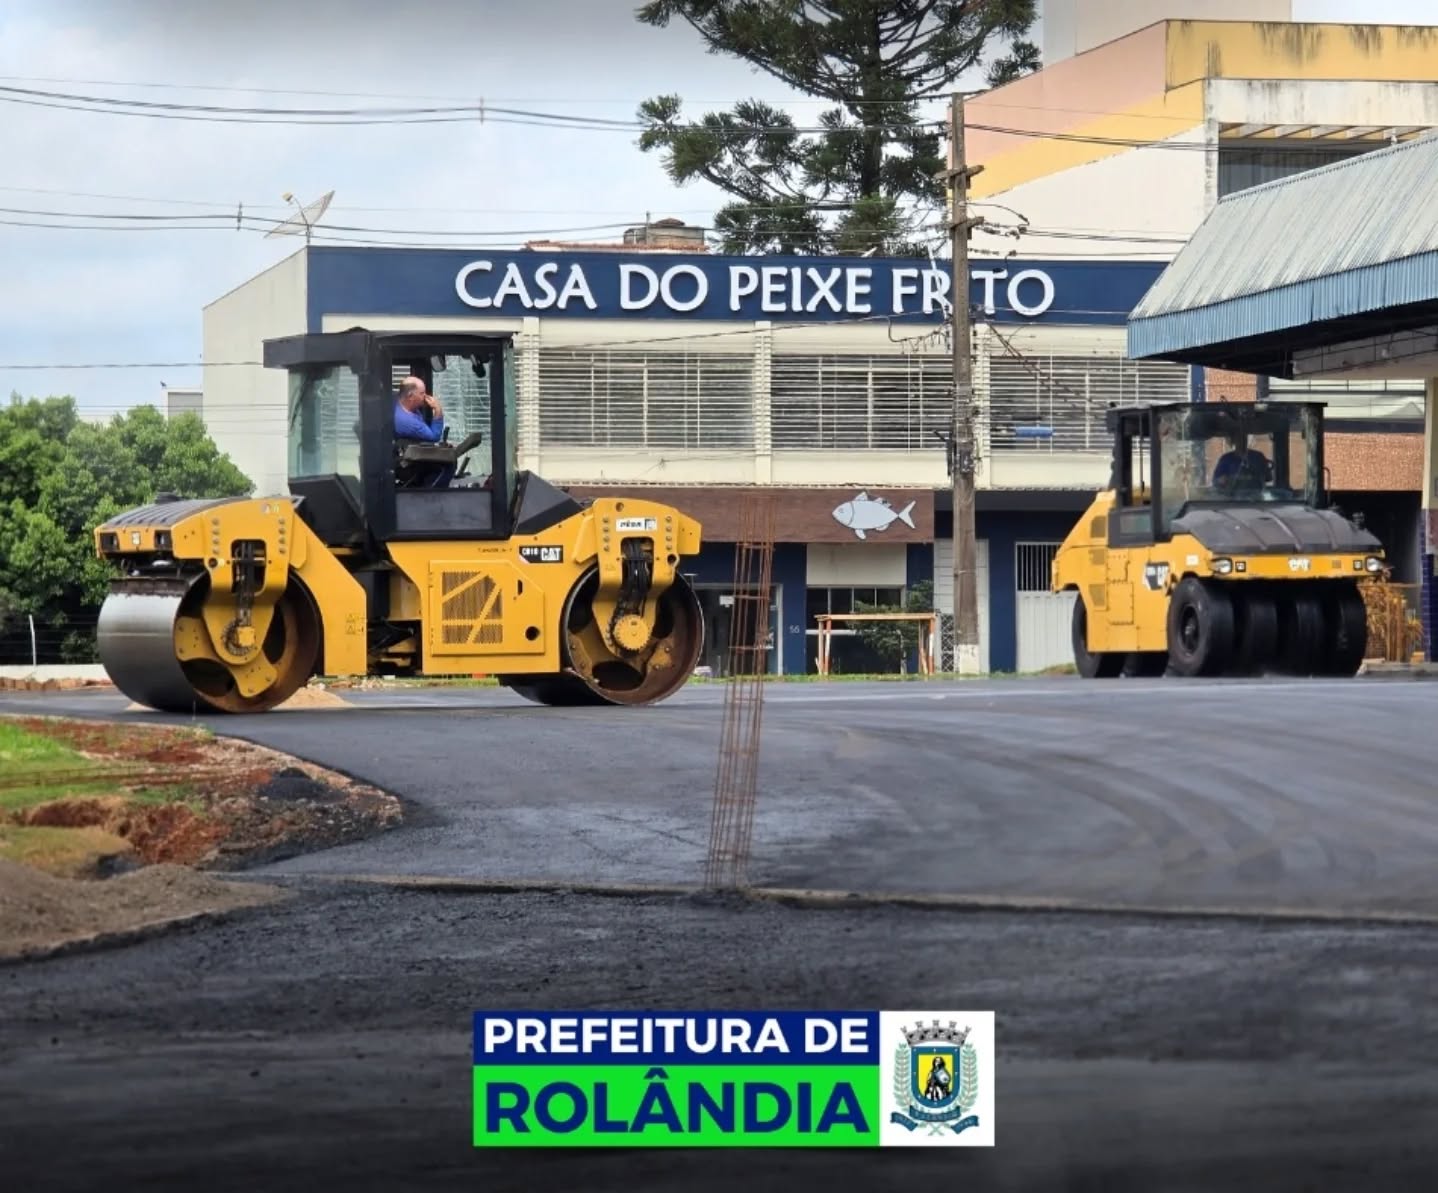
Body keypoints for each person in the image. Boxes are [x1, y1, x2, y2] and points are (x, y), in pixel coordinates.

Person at [393, 376, 453, 488]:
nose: (425, 397)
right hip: (404, 464)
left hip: (402, 453)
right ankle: (430, 496)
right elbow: (434, 436)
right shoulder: (407, 422)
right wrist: (438, 410)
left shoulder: (397, 399)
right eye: (422, 393)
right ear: (410, 396)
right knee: (447, 465)